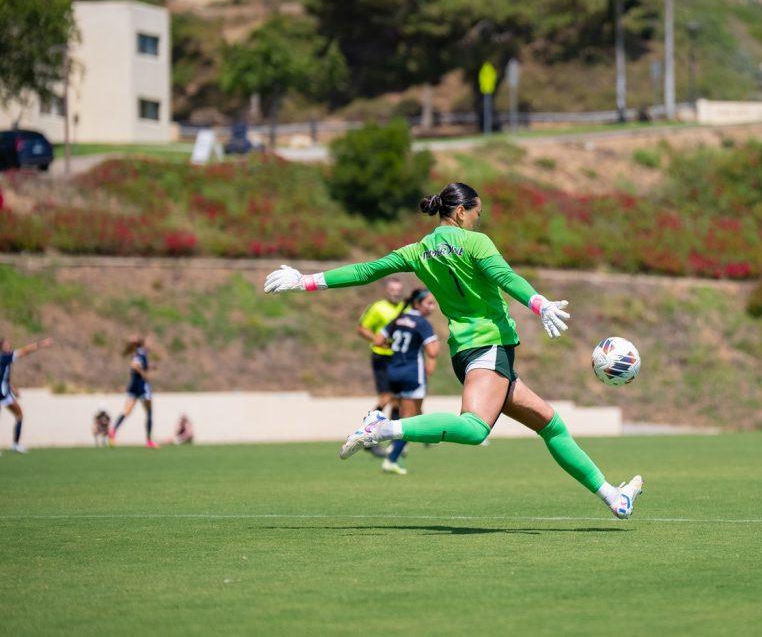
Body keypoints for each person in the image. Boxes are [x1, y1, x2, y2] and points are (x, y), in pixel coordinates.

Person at [264, 182, 644, 519]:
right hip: (488, 347)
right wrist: (538, 302)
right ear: (461, 212)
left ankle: (614, 499)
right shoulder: (476, 242)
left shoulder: (417, 251)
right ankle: (384, 427)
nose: (478, 221)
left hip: (472, 353)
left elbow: (367, 271)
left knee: (551, 425)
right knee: (475, 429)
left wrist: (305, 281)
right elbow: (505, 276)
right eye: (477, 213)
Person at [373, 288, 441, 475]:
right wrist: (437, 344)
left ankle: (397, 445)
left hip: (393, 372)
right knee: (411, 419)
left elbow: (378, 340)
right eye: (429, 303)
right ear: (417, 304)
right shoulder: (422, 323)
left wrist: (397, 349)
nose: (432, 307)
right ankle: (392, 458)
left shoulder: (398, 319)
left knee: (400, 412)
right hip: (412, 374)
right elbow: (432, 352)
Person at [357, 276, 407, 448]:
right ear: (387, 291)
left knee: (397, 401)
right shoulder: (378, 307)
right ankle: (366, 434)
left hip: (399, 358)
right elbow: (361, 328)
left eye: (399, 291)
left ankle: (393, 442)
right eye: (393, 290)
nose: (396, 293)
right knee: (386, 397)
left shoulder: (404, 308)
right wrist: (376, 338)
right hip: (381, 356)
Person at [0, 336, 53, 454]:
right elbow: (25, 351)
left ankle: (15, 445)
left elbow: (3, 376)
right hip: (2, 394)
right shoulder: (5, 357)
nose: (9, 346)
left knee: (19, 414)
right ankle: (15, 445)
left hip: (5, 393)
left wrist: (12, 388)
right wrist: (42, 344)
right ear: (1, 347)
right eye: (6, 345)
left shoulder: (5, 359)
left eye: (9, 344)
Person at [109, 335, 158, 449]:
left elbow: (137, 364)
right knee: (149, 412)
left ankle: (113, 430)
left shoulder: (138, 353)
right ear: (144, 344)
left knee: (126, 412)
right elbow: (134, 365)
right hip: (142, 386)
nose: (152, 344)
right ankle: (149, 440)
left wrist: (150, 367)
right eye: (150, 342)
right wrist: (143, 373)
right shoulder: (141, 353)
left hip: (133, 386)